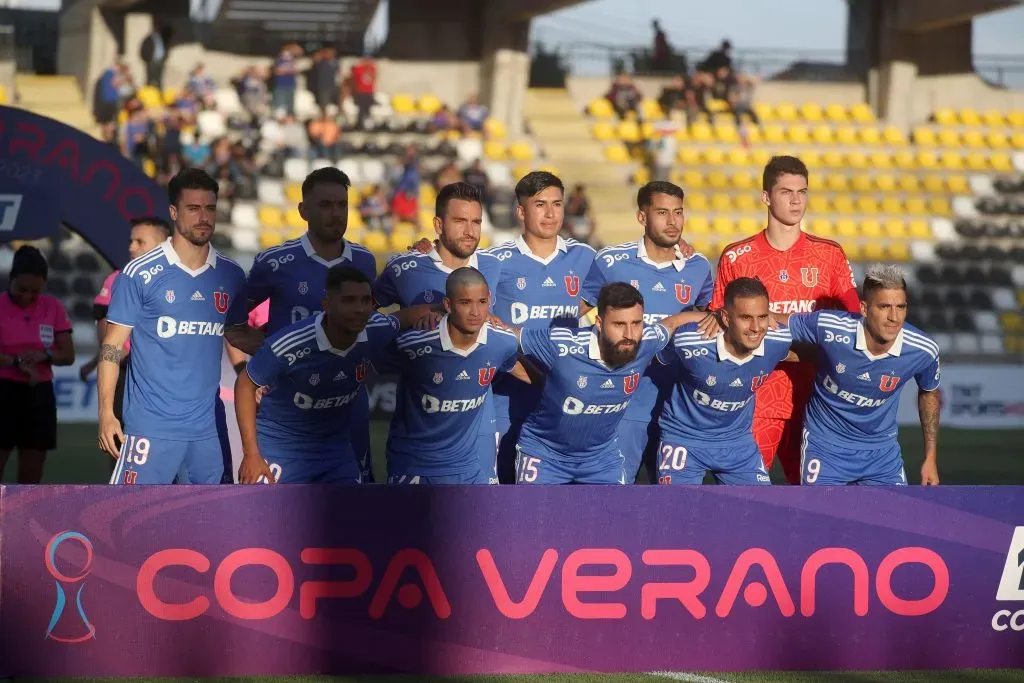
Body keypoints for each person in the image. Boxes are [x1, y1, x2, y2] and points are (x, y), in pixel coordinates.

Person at [708, 155, 860, 485]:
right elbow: (719, 328)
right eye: (786, 191)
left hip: (817, 404)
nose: (796, 200)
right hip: (754, 400)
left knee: (815, 503)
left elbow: (854, 325)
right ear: (766, 197)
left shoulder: (830, 255)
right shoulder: (737, 257)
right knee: (741, 498)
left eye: (802, 192)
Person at [98, 168, 250, 485]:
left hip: (205, 432)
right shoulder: (139, 273)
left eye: (210, 208)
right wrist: (106, 413)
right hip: (149, 429)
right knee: (127, 525)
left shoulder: (231, 275)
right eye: (193, 208)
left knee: (206, 527)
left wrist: (282, 352)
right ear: (173, 212)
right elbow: (112, 346)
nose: (203, 217)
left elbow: (237, 335)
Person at [243, 166, 378, 480]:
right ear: (303, 211)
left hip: (347, 404)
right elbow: (234, 321)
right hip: (288, 410)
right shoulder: (275, 262)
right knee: (275, 515)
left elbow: (377, 319)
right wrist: (267, 354)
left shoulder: (364, 260)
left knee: (357, 510)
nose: (335, 213)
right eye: (325, 205)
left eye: (342, 205)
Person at [236, 267, 428, 484]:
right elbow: (245, 384)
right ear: (326, 305)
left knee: (353, 515)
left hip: (334, 449)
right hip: (282, 445)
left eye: (366, 301)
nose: (360, 309)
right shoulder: (290, 343)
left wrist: (440, 309)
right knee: (262, 515)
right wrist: (251, 454)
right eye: (349, 301)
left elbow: (404, 317)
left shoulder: (375, 328)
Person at [579, 181, 713, 483]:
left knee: (674, 506)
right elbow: (577, 315)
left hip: (679, 409)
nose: (672, 221)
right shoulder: (610, 262)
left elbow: (710, 322)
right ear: (642, 217)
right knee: (614, 495)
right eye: (662, 212)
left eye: (678, 213)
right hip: (623, 406)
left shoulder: (699, 267)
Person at [508, 282, 706, 485]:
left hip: (601, 459)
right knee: (536, 517)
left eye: (636, 323)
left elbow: (675, 322)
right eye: (619, 324)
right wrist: (542, 380)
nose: (629, 334)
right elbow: (503, 338)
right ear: (599, 324)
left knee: (611, 517)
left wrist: (718, 317)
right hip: (545, 454)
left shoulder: (646, 340)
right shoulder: (563, 344)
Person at [374, 182, 504, 481]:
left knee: (482, 523)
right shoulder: (404, 267)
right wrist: (409, 316)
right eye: (460, 221)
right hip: (419, 432)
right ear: (438, 224)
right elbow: (360, 318)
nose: (470, 230)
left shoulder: (495, 265)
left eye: (476, 222)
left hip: (479, 427)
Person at [481, 171, 597, 483]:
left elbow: (615, 307)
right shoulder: (493, 261)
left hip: (564, 403)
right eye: (540, 205)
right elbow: (482, 326)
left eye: (557, 204)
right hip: (506, 399)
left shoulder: (585, 257)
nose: (550, 213)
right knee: (501, 492)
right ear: (521, 211)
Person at [781, 265, 941, 486]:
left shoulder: (923, 350)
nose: (894, 317)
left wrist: (930, 457)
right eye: (884, 306)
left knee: (894, 519)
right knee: (820, 519)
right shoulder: (830, 326)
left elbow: (929, 393)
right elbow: (772, 323)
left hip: (881, 453)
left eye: (900, 307)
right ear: (864, 309)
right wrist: (725, 317)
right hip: (825, 446)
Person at [382, 268, 524, 485]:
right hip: (414, 467)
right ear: (447, 305)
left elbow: (516, 367)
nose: (476, 311)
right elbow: (369, 346)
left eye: (482, 301)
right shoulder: (413, 344)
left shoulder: (502, 341)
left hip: (469, 469)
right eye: (466, 302)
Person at [656, 278, 791, 485]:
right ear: (726, 318)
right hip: (684, 439)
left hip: (738, 442)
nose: (756, 328)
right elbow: (656, 355)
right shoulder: (689, 340)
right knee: (678, 512)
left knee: (760, 514)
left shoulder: (779, 340)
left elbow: (817, 340)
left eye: (762, 317)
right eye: (746, 317)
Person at [0, 246, 76, 483]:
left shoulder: (53, 307)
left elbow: (68, 355)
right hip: (2, 392)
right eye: (22, 289)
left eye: (35, 291)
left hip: (38, 397)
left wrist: (45, 355)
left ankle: (21, 521)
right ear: (11, 280)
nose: (28, 296)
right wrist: (15, 362)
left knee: (29, 482)